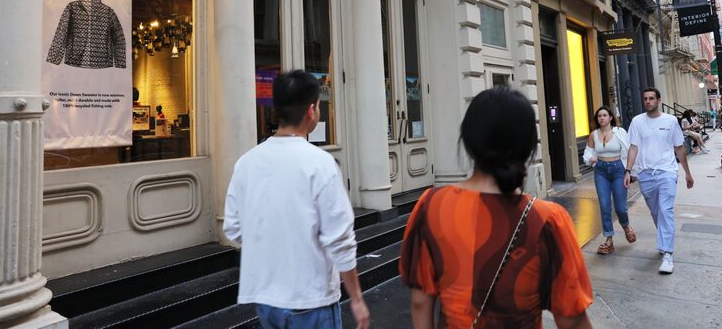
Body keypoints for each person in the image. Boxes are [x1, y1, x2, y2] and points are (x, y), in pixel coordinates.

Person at [400, 88, 593, 329]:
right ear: (527, 147)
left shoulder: (431, 205)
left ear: (468, 141)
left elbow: (420, 302)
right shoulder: (547, 220)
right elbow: (572, 320)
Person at [224, 70, 370, 329]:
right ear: (311, 111)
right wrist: (357, 299)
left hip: (266, 299)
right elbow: (341, 240)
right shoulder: (320, 164)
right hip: (311, 299)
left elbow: (234, 227)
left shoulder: (246, 163)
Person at [623, 87, 694, 275]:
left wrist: (687, 173)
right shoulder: (637, 122)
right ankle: (665, 240)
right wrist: (628, 171)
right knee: (656, 212)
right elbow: (633, 148)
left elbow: (679, 148)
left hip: (667, 172)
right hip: (646, 174)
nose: (648, 101)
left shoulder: (671, 121)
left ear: (659, 100)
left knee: (665, 210)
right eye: (645, 98)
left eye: (651, 98)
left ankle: (668, 255)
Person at [583, 106, 636, 254]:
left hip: (618, 169)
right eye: (599, 116)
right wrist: (590, 158)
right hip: (601, 171)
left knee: (620, 207)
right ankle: (609, 239)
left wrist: (630, 171)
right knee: (604, 206)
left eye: (605, 115)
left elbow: (630, 149)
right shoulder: (594, 134)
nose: (602, 118)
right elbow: (588, 151)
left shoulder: (619, 132)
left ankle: (625, 226)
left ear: (610, 117)